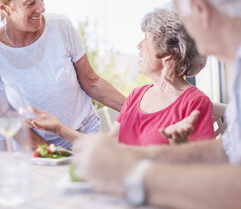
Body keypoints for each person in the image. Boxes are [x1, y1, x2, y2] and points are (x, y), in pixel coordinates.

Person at [72, 0, 241, 208]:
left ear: (198, 7)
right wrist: (135, 156)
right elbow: (228, 149)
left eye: (181, 12)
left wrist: (131, 175)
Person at [0, 0, 125, 149]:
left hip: (83, 134)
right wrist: (48, 152)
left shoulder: (61, 26)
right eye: (30, 3)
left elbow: (91, 81)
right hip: (34, 146)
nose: (41, 8)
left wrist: (140, 111)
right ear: (4, 8)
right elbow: (6, 113)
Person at [28, 8, 215, 146]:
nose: (139, 45)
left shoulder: (195, 103)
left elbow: (203, 165)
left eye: (147, 38)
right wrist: (58, 127)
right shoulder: (137, 95)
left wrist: (180, 146)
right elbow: (106, 147)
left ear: (169, 54)